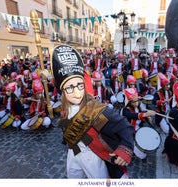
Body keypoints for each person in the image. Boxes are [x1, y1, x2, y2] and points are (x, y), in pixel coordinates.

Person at [51, 45, 134, 179]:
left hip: (92, 156)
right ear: (63, 91)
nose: (77, 93)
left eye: (80, 86)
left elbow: (123, 125)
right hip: (73, 152)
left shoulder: (94, 109)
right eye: (70, 88)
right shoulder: (66, 106)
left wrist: (125, 149)